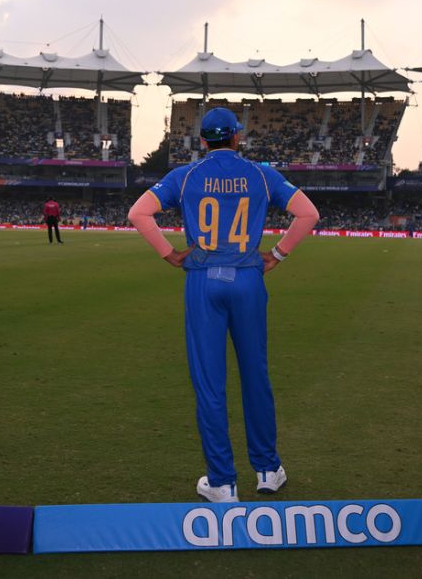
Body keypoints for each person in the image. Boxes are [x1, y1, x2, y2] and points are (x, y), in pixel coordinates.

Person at [128, 107, 320, 503]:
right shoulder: (262, 174)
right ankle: (267, 470)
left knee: (210, 384)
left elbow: (139, 212)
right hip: (248, 278)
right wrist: (278, 255)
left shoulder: (186, 176)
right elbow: (308, 214)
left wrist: (168, 253)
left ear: (202, 141)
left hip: (202, 278)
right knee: (256, 375)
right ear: (237, 137)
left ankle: (222, 483)